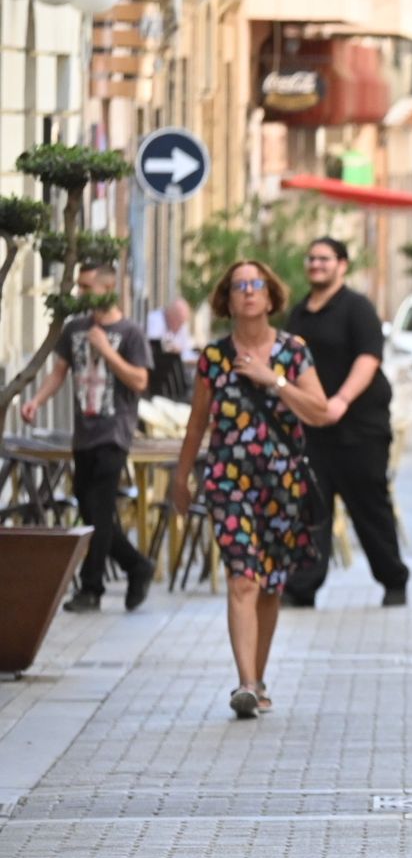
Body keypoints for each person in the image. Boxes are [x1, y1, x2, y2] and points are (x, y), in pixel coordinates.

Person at [169, 260, 329, 718]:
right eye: (238, 286)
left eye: (256, 284)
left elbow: (318, 411)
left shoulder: (293, 352)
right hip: (228, 482)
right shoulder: (213, 359)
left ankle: (258, 681)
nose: (248, 292)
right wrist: (182, 478)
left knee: (271, 586)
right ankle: (245, 683)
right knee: (244, 578)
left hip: (282, 485)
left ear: (271, 295)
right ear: (227, 299)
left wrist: (272, 381)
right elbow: (198, 423)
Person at [21, 262, 157, 614]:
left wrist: (107, 350)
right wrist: (36, 401)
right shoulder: (75, 329)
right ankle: (136, 565)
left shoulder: (130, 333)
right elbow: (59, 373)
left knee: (97, 513)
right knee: (88, 508)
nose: (80, 293)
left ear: (107, 288)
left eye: (86, 286)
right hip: (83, 435)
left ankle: (91, 588)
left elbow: (140, 382)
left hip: (114, 433)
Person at [282, 236, 409, 609]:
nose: (316, 264)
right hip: (312, 429)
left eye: (324, 258)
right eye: (311, 258)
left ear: (342, 265)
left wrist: (340, 401)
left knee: (369, 507)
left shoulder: (357, 308)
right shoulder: (299, 313)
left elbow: (368, 359)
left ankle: (393, 581)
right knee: (312, 508)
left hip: (359, 429)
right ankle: (302, 587)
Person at [146, 298, 195, 401]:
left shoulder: (181, 326)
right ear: (170, 315)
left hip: (174, 373)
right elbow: (157, 345)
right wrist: (175, 349)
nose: (180, 326)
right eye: (178, 322)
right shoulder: (154, 320)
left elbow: (186, 350)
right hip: (156, 373)